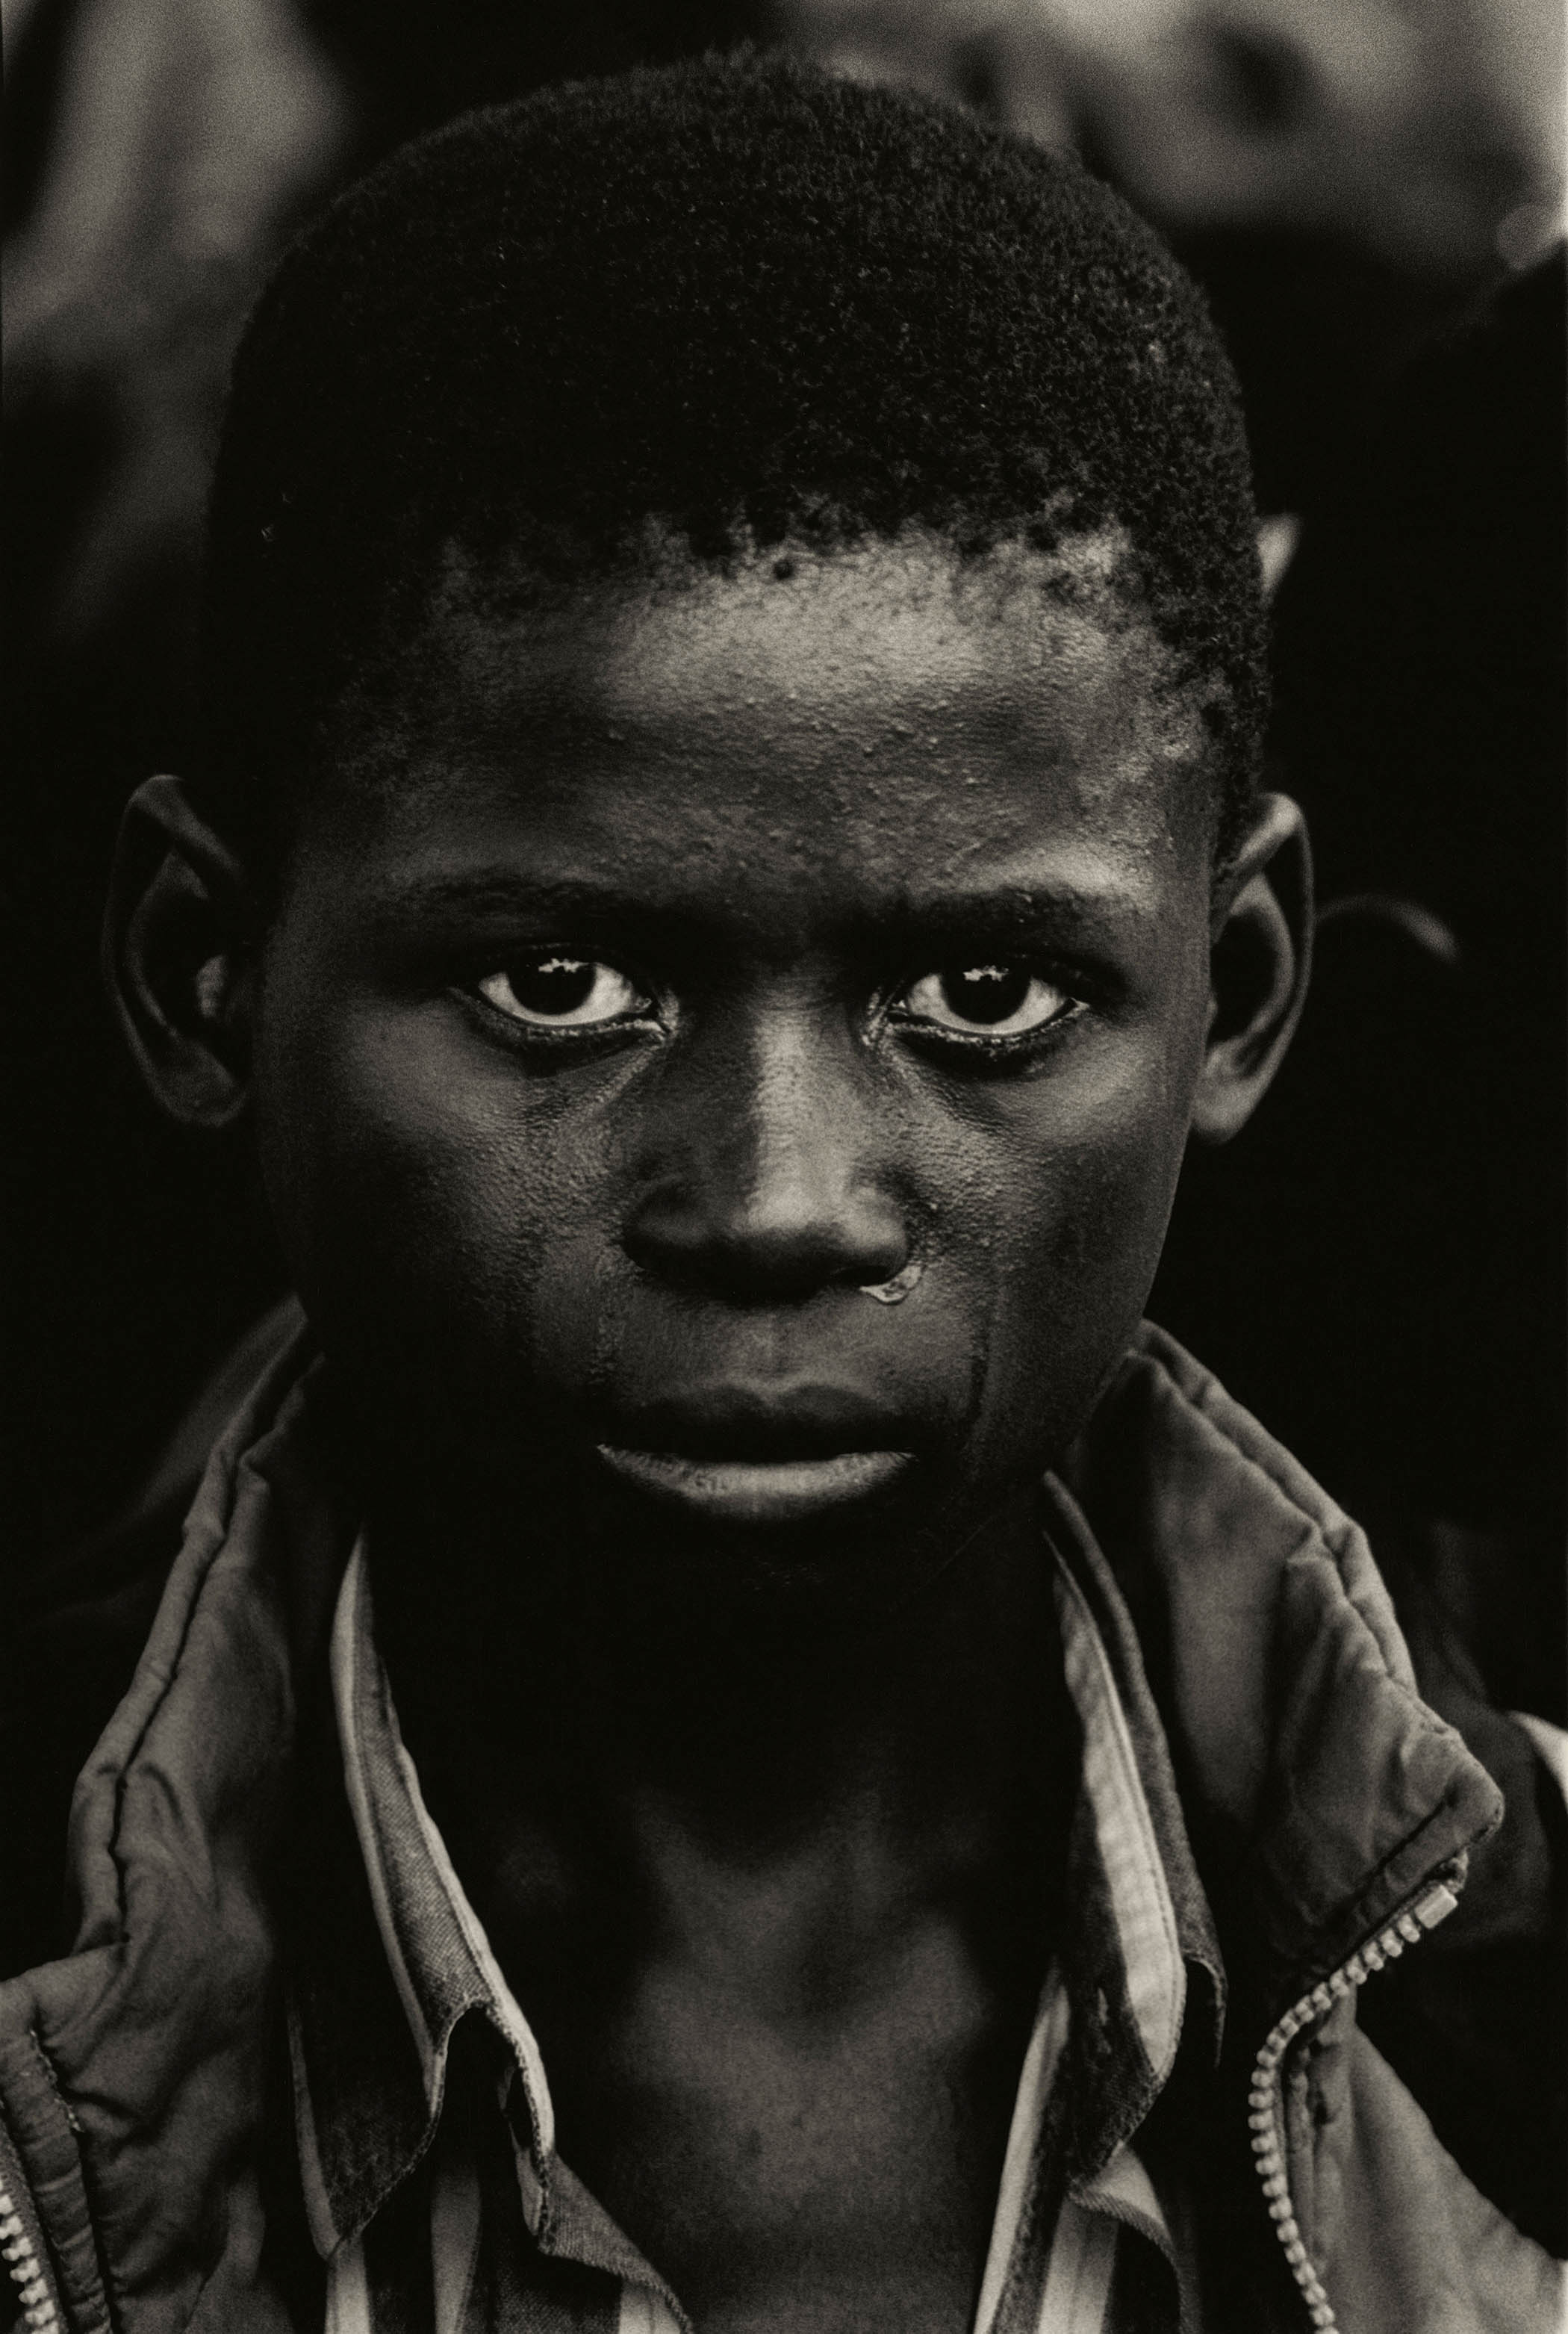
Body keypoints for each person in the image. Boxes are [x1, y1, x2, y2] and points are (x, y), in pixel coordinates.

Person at [1, 53, 1561, 2334]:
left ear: (1233, 997)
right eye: (561, 985)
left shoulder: (1504, 2017)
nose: (777, 1200)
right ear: (199, 973)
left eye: (985, 997)